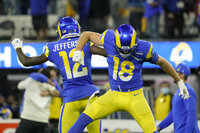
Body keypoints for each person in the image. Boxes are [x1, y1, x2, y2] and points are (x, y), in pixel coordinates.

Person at [69, 24, 190, 133]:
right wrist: (78, 50)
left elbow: (162, 62)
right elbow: (87, 35)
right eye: (121, 50)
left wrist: (179, 81)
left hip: (135, 96)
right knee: (82, 119)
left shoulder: (144, 48)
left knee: (152, 131)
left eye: (128, 51)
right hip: (114, 94)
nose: (124, 53)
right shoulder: (109, 38)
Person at [11, 17, 107, 133]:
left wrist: (18, 48)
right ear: (77, 29)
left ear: (60, 31)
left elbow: (26, 62)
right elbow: (107, 53)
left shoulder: (52, 48)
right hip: (90, 96)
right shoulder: (86, 43)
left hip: (71, 98)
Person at [157, 63, 200, 133]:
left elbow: (191, 113)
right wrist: (159, 127)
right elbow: (173, 113)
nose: (173, 75)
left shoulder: (187, 90)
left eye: (175, 72)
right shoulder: (179, 91)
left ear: (182, 75)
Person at [15, 67, 61, 133]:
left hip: (28, 118)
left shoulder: (30, 81)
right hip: (42, 120)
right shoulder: (51, 87)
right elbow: (60, 93)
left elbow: (19, 86)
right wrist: (50, 89)